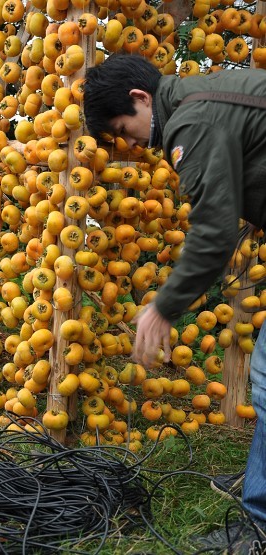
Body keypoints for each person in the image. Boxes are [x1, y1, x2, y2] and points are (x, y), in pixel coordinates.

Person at [84, 54, 266, 553]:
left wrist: (163, 307)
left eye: (126, 127)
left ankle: (260, 521)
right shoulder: (203, 95)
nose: (134, 142)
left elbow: (212, 233)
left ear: (141, 99)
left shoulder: (193, 118)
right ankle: (260, 480)